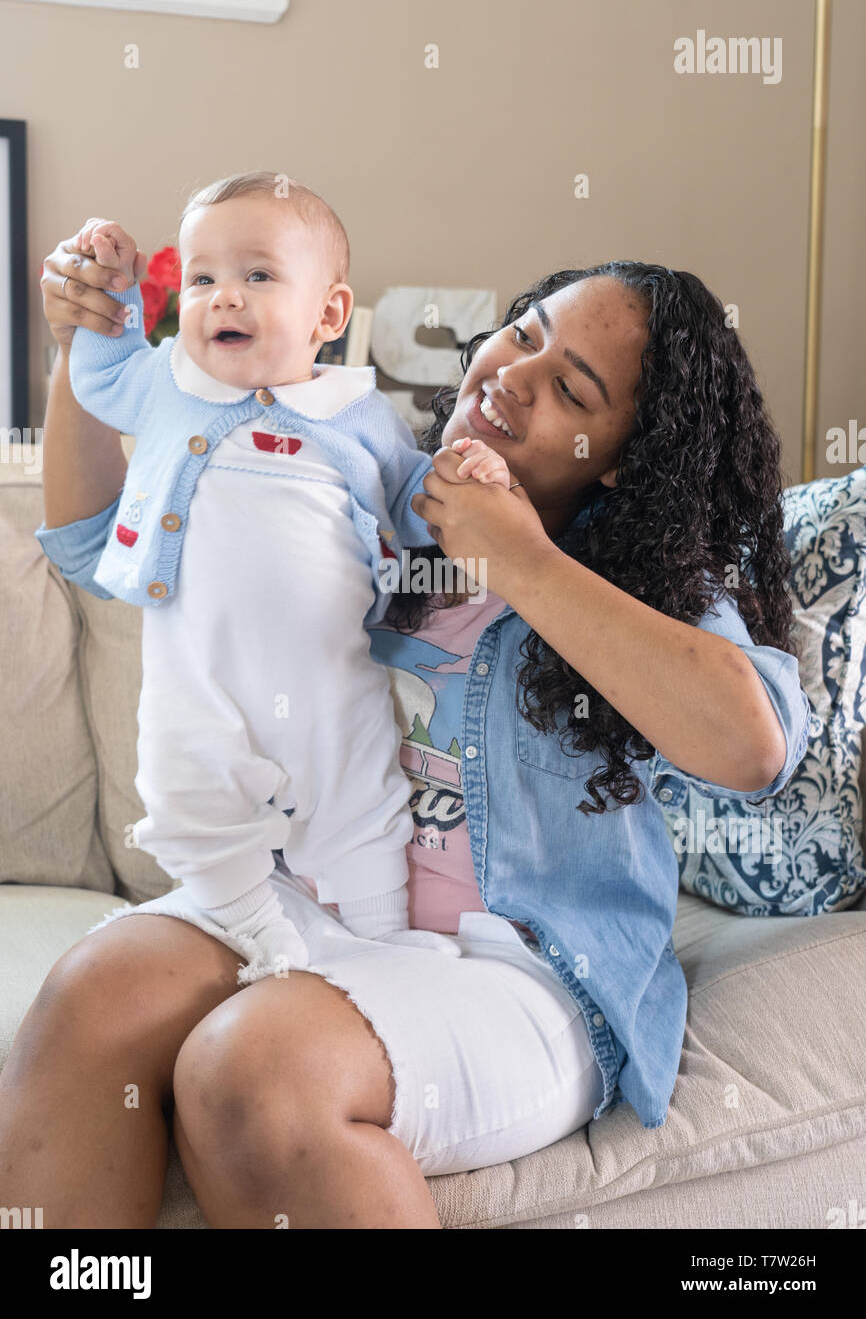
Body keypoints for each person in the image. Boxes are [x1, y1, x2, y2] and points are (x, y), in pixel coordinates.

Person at [0, 241, 810, 1229]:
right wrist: (87, 353)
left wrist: (515, 558)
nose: (510, 376)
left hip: (519, 967)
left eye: (568, 387)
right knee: (91, 998)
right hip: (312, 899)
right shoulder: (374, 489)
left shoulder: (644, 581)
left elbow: (752, 744)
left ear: (620, 465)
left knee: (250, 1068)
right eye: (523, 334)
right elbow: (98, 541)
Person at [57, 174, 513, 981]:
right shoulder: (167, 383)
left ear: (328, 315)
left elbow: (412, 501)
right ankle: (256, 929)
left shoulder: (353, 410)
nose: (223, 298)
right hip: (195, 675)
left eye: (258, 276)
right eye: (202, 279)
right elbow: (101, 375)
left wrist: (466, 471)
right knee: (184, 801)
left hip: (330, 674)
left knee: (363, 808)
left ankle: (379, 945)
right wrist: (110, 296)